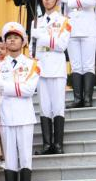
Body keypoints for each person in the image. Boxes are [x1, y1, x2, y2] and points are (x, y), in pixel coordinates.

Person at [0, 21, 41, 181]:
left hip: (24, 115)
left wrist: (4, 85)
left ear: (23, 41)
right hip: (5, 116)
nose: (12, 41)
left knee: (25, 159)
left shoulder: (32, 64)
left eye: (16, 37)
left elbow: (28, 90)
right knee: (10, 159)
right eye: (9, 38)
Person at [30, 0, 71, 156]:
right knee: (44, 107)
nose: (47, 1)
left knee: (58, 106)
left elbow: (61, 45)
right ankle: (47, 144)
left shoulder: (64, 21)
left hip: (56, 66)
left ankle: (58, 144)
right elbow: (32, 49)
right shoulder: (36, 21)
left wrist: (42, 36)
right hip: (41, 67)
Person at [65, 0, 96, 107]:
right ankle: (77, 99)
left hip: (88, 28)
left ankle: (88, 98)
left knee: (88, 65)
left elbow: (91, 2)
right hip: (71, 27)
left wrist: (71, 2)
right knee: (75, 66)